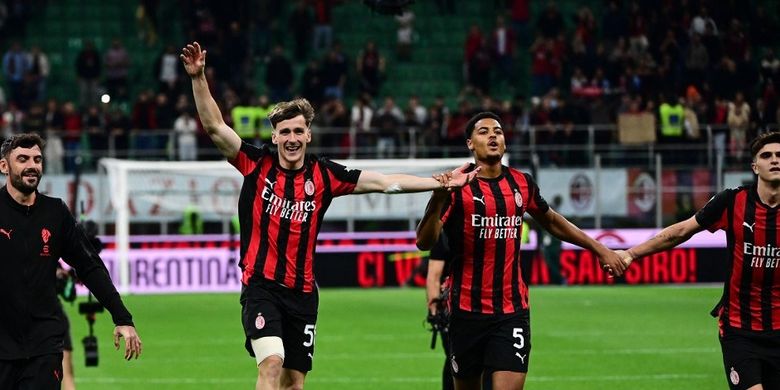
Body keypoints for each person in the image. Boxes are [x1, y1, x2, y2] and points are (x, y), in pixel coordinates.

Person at [180, 41, 479, 390]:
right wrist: (199, 77)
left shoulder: (324, 175)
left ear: (308, 134)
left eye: (298, 131)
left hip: (304, 294)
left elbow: (386, 183)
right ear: (274, 136)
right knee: (271, 364)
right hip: (261, 286)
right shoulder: (255, 163)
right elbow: (216, 127)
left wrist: (440, 181)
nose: (292, 138)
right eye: (285, 132)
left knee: (294, 382)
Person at [416, 112, 626, 389]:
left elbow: (551, 220)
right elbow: (424, 241)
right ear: (470, 143)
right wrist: (438, 195)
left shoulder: (522, 183)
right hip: (466, 309)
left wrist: (599, 248)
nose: (493, 135)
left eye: (498, 131)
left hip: (511, 310)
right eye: (484, 132)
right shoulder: (457, 187)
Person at [617, 132, 780, 390]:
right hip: (740, 331)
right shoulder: (732, 201)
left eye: (779, 155)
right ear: (754, 166)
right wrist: (630, 253)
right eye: (766, 155)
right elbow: (682, 231)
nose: (774, 160)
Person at [0, 133, 142, 390]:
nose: (32, 165)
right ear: (4, 166)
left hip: (43, 346)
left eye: (37, 159)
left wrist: (122, 317)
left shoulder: (55, 213)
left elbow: (89, 265)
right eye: (22, 159)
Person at [426, 233, 492, 390]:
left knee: (475, 359)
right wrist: (434, 311)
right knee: (455, 358)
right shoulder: (443, 238)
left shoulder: (483, 233)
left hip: (483, 305)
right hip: (450, 308)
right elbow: (434, 275)